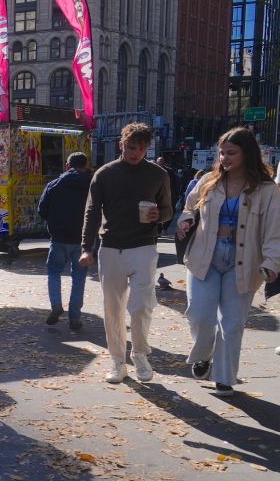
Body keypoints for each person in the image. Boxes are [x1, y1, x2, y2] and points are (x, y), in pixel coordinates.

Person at [175, 127, 279, 397]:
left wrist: (271, 262)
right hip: (203, 258)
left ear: (247, 154)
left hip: (243, 262)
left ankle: (224, 377)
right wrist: (185, 220)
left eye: (231, 152)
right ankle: (204, 355)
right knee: (199, 314)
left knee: (232, 323)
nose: (224, 157)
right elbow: (189, 206)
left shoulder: (267, 189)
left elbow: (274, 229)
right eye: (221, 152)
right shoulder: (209, 180)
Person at [80, 122, 173, 383]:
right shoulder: (104, 174)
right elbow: (91, 212)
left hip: (144, 245)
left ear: (147, 148)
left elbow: (167, 210)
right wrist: (86, 248)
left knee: (141, 306)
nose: (136, 153)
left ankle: (141, 355)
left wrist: (159, 216)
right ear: (121, 145)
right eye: (132, 147)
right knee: (113, 309)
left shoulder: (157, 174)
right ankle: (118, 361)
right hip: (110, 247)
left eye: (142, 149)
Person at [38, 152, 93, 331]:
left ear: (67, 166)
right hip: (83, 240)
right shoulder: (92, 184)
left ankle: (56, 304)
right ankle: (75, 317)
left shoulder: (54, 184)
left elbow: (42, 210)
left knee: (54, 272)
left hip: (59, 238)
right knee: (79, 277)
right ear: (85, 166)